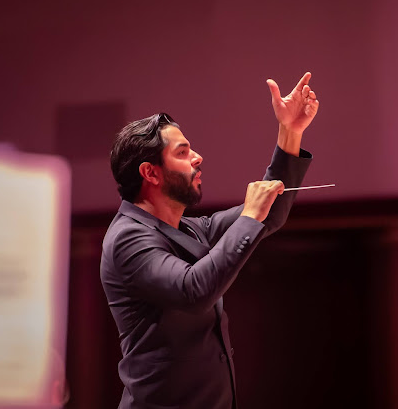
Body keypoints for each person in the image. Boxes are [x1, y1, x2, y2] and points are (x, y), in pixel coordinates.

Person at [100, 72, 319, 409]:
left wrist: (290, 131)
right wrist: (248, 217)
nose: (198, 157)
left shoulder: (189, 229)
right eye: (183, 152)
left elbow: (269, 212)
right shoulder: (127, 237)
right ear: (151, 173)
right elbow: (193, 291)